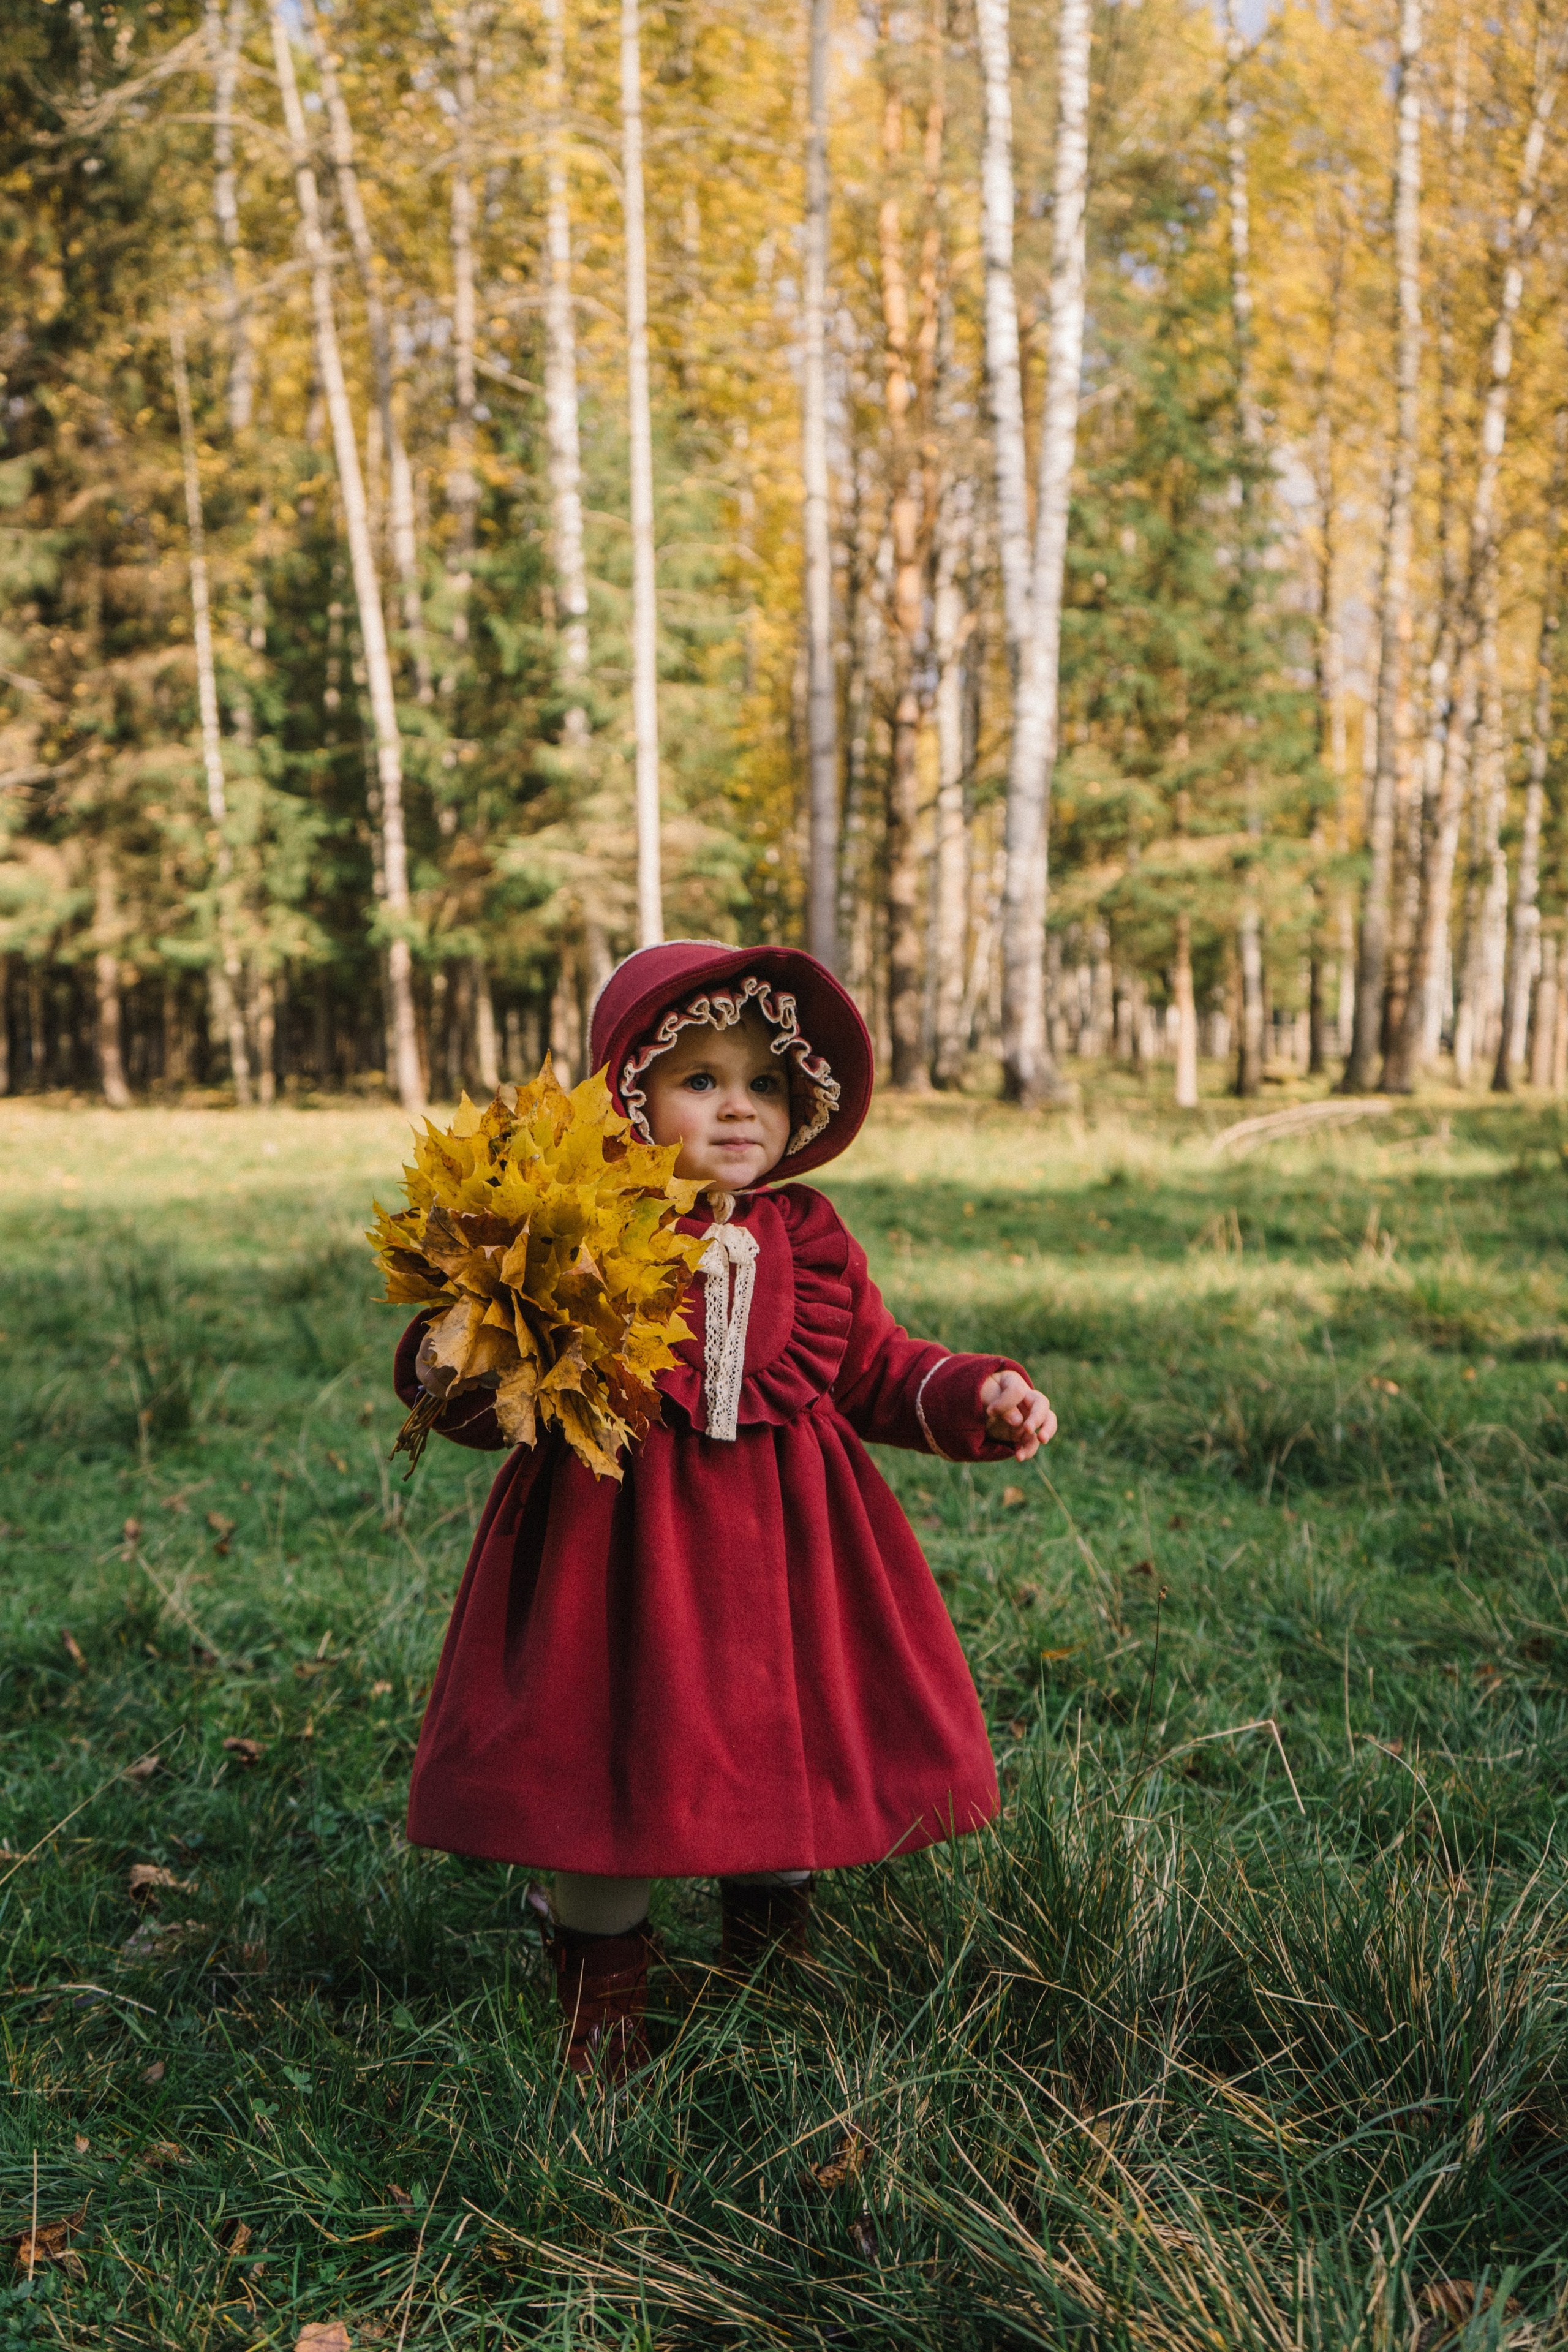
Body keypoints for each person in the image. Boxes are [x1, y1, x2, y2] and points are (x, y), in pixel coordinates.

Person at [393, 940, 1056, 2079]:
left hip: (789, 1554)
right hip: (614, 1550)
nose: (738, 1107)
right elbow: (489, 1365)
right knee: (609, 1767)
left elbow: (876, 1368)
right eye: (700, 1080)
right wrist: (461, 1353)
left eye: (765, 1084)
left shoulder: (811, 1238)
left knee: (776, 1746)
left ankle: (768, 1967)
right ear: (626, 1100)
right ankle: (602, 1998)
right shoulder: (580, 1229)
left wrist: (974, 1395)